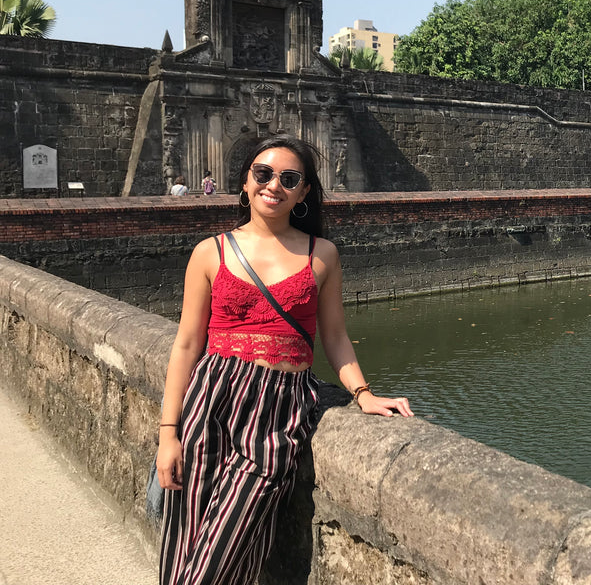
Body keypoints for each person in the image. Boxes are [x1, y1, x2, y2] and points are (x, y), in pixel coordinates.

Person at [156, 135, 412, 585]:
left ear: (303, 192)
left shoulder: (322, 255)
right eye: (263, 173)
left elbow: (334, 337)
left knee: (221, 557)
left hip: (278, 410)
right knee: (186, 543)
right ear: (244, 182)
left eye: (288, 178)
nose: (273, 184)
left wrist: (363, 394)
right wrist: (167, 434)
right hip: (210, 401)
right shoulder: (209, 252)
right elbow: (186, 345)